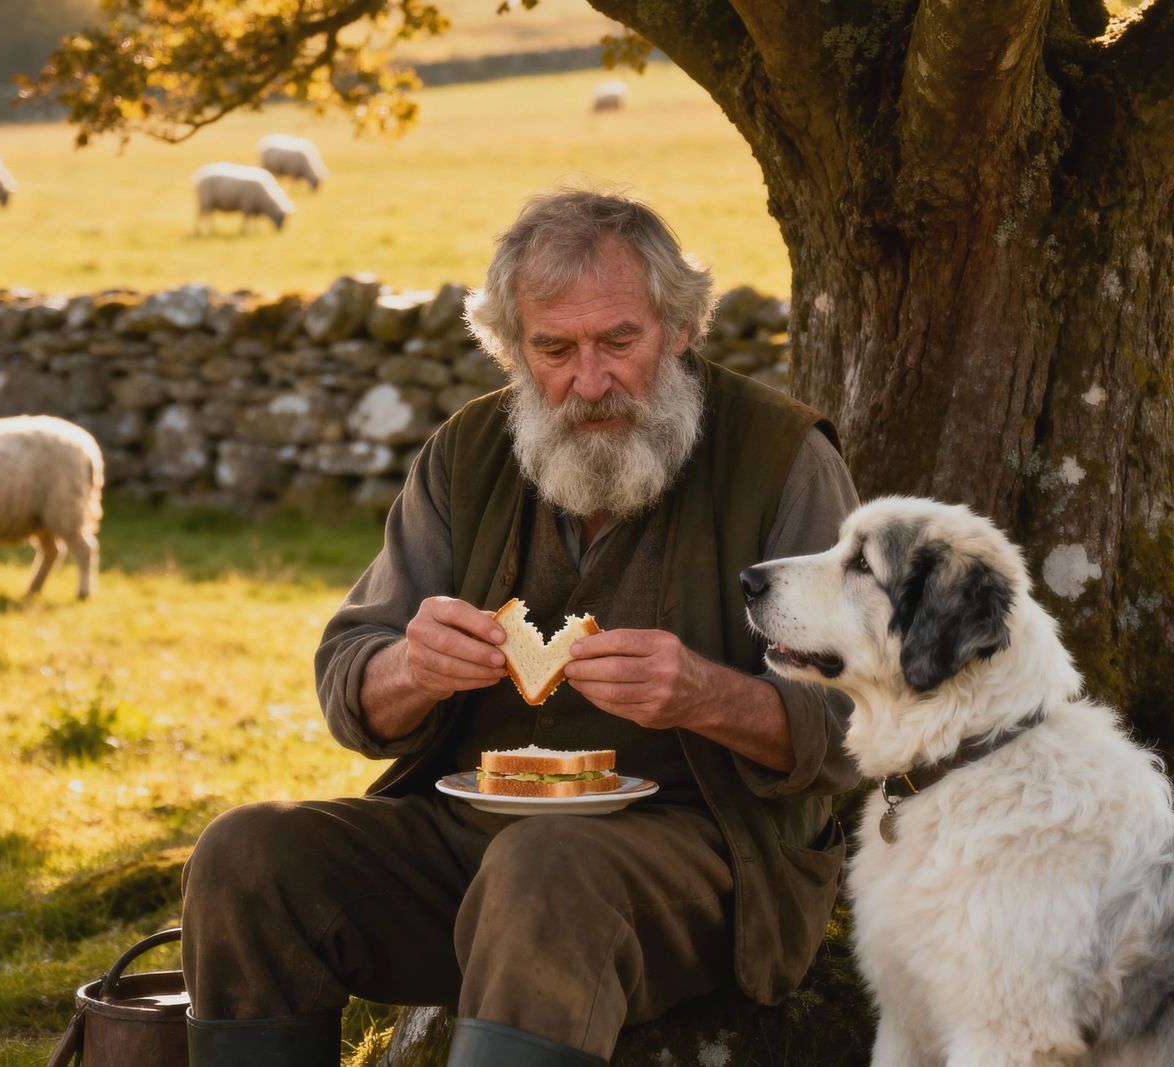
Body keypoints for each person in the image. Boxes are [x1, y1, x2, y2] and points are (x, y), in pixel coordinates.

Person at [180, 189, 861, 1067]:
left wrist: (706, 694)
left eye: (620, 340)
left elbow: (858, 726)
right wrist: (412, 668)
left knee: (543, 867)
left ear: (681, 328)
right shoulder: (467, 453)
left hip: (707, 859)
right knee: (246, 853)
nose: (590, 380)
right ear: (511, 349)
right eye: (554, 348)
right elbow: (351, 688)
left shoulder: (781, 458)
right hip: (470, 849)